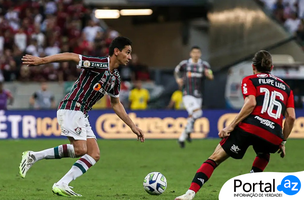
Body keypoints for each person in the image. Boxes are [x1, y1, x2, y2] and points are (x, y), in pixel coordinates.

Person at [19, 36, 145, 197]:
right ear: (116, 51)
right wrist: (42, 61)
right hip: (72, 106)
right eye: (127, 53)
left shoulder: (115, 78)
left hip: (82, 113)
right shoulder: (99, 64)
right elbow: (72, 56)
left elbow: (116, 104)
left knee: (94, 154)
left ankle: (61, 182)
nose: (130, 57)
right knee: (80, 150)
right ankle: (35, 157)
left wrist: (133, 126)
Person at [175, 50, 296, 200]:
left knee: (215, 158)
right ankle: (252, 183)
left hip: (250, 128)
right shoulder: (287, 88)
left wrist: (230, 126)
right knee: (264, 152)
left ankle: (190, 193)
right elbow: (291, 117)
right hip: (273, 134)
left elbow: (251, 103)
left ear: (253, 67)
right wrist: (282, 140)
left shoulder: (250, 80)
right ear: (271, 68)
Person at [174, 46, 213, 148]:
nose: (196, 54)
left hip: (198, 95)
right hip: (187, 94)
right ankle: (183, 137)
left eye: (198, 52)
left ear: (200, 54)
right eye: (194, 52)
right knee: (198, 112)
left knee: (193, 115)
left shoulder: (204, 65)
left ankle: (186, 133)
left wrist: (208, 75)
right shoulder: (184, 64)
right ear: (190, 54)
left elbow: (211, 76)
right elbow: (176, 70)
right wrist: (178, 79)